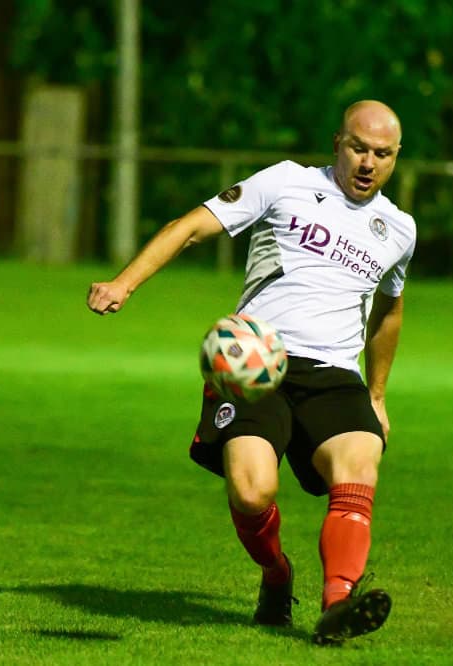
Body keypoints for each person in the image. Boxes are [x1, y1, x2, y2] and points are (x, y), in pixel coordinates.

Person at [87, 100, 415, 645]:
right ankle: (277, 573)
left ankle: (338, 605)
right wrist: (124, 283)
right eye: (359, 148)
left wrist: (377, 395)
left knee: (359, 467)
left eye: (382, 154)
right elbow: (191, 227)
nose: (368, 163)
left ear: (396, 157)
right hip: (255, 361)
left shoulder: (399, 229)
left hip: (335, 373)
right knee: (251, 491)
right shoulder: (286, 182)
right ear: (337, 143)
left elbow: (390, 310)